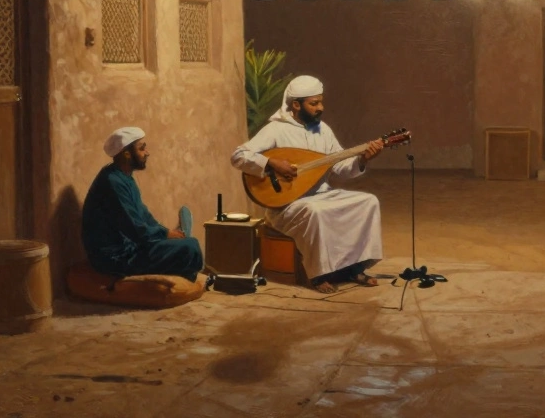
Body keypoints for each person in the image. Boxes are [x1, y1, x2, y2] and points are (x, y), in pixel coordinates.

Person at [231, 75, 385, 293]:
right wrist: (271, 163)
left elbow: (338, 168)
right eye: (314, 103)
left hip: (322, 195)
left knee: (368, 201)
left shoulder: (324, 130)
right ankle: (319, 274)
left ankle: (355, 267)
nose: (320, 108)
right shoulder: (276, 130)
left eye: (321, 102)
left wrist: (363, 159)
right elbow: (238, 156)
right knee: (316, 211)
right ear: (296, 105)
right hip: (288, 205)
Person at [82, 127, 204, 281]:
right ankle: (187, 270)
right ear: (126, 153)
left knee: (186, 245)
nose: (147, 153)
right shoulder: (112, 182)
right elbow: (134, 228)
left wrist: (165, 233)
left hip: (130, 248)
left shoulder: (124, 178)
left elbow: (143, 216)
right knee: (190, 247)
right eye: (142, 148)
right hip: (115, 257)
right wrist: (165, 235)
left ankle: (186, 267)